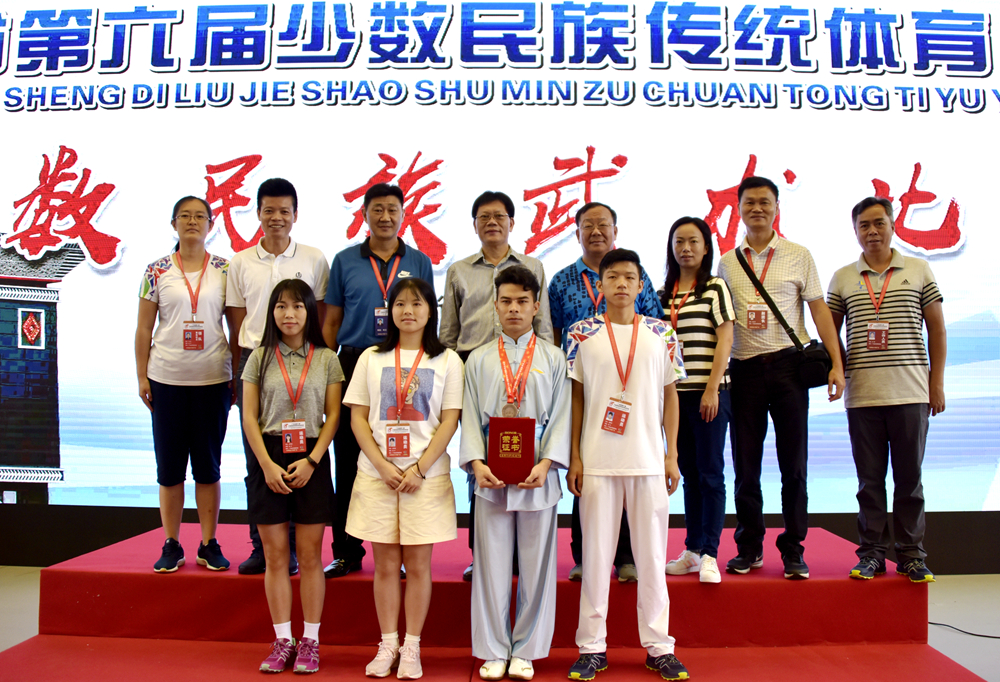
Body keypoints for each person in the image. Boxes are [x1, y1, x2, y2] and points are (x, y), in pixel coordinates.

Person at [565, 249, 688, 682]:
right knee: (596, 559)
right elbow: (576, 399)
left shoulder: (662, 332)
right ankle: (591, 647)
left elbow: (671, 396)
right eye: (612, 276)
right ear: (599, 284)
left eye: (629, 277)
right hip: (597, 462)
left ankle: (659, 647)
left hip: (649, 461)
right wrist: (575, 456)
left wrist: (672, 454)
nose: (621, 283)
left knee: (652, 559)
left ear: (640, 285)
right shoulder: (580, 334)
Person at [717, 176, 845, 580]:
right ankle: (749, 546)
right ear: (739, 208)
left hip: (789, 368)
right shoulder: (727, 262)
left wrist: (837, 363)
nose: (757, 209)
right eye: (750, 202)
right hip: (744, 370)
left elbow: (820, 311)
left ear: (776, 208)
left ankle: (793, 548)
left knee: (794, 465)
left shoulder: (798, 255)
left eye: (765, 202)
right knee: (745, 466)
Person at [342, 277, 462, 680]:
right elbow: (358, 418)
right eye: (400, 304)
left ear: (431, 311)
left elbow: (450, 421)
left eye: (417, 303)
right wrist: (381, 465)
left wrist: (420, 468)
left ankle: (412, 647)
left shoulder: (447, 360)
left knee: (418, 565)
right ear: (389, 311)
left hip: (425, 478)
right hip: (378, 475)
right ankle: (388, 643)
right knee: (385, 564)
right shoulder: (371, 358)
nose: (408, 311)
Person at [827, 197, 946, 583]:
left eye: (879, 223)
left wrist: (936, 384)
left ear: (893, 225)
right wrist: (838, 368)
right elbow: (829, 333)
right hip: (863, 396)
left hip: (911, 394)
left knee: (909, 481)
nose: (872, 231)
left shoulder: (919, 269)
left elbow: (937, 329)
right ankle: (872, 555)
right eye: (864, 225)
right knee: (869, 483)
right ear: (855, 231)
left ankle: (911, 555)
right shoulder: (843, 277)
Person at [460, 266, 570, 681]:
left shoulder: (554, 358)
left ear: (536, 306)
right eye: (506, 301)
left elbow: (563, 416)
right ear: (495, 304)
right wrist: (476, 463)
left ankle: (525, 649)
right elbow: (469, 416)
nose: (514, 308)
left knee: (537, 567)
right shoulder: (479, 359)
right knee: (490, 565)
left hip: (538, 471)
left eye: (522, 301)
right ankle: (492, 649)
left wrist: (547, 463)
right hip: (491, 473)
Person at [439, 190, 553, 581]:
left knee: (525, 461)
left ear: (512, 223)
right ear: (474, 224)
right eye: (484, 216)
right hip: (478, 376)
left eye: (499, 216)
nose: (492, 222)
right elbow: (449, 332)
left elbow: (544, 326)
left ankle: (521, 554)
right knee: (480, 466)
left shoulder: (533, 267)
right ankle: (482, 554)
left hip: (527, 375)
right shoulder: (458, 271)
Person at [323, 183, 435, 579]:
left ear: (403, 214)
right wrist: (327, 373)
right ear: (365, 214)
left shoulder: (419, 261)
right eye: (377, 210)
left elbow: (427, 316)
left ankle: (400, 553)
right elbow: (332, 321)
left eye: (392, 209)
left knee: (402, 458)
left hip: (404, 366)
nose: (385, 217)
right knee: (348, 459)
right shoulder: (344, 261)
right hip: (355, 362)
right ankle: (346, 551)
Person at [548, 202, 662, 582]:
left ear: (615, 231)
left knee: (628, 471)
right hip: (585, 386)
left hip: (631, 387)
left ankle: (626, 555)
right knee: (587, 471)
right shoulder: (561, 281)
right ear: (577, 232)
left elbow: (655, 325)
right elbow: (553, 335)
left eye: (603, 225)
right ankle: (584, 555)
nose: (596, 231)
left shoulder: (637, 275)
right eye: (588, 225)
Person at [226, 178, 330, 575]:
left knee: (303, 451)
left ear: (295, 215)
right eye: (269, 210)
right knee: (258, 457)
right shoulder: (240, 262)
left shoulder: (314, 258)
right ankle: (263, 546)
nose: (276, 218)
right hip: (257, 361)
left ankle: (297, 547)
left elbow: (319, 314)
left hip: (304, 362)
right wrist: (239, 370)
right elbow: (236, 321)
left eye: (284, 211)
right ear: (258, 213)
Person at [241, 279, 343, 673]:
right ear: (272, 312)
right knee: (276, 556)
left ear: (309, 312)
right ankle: (283, 640)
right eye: (281, 306)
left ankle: (310, 642)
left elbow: (333, 416)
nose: (289, 314)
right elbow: (249, 417)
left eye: (298, 306)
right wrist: (266, 465)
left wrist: (313, 461)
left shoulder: (327, 358)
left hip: (311, 457)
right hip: (267, 455)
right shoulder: (259, 357)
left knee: (312, 555)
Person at [136, 196, 234, 573]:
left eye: (200, 216)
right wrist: (142, 375)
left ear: (211, 224)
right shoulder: (155, 270)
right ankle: (171, 542)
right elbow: (144, 328)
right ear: (173, 223)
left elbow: (237, 327)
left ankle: (209, 543)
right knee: (170, 467)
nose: (192, 222)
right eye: (185, 216)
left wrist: (236, 375)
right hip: (167, 380)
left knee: (208, 466)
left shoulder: (225, 269)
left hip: (213, 380)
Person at [660, 217, 735, 584]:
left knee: (710, 474)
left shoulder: (714, 287)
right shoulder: (662, 294)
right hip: (675, 398)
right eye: (679, 241)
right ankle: (692, 549)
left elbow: (725, 338)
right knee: (689, 475)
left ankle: (710, 553)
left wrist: (712, 388)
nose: (686, 248)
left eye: (693, 241)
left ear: (706, 248)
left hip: (709, 395)